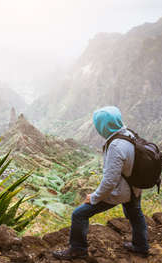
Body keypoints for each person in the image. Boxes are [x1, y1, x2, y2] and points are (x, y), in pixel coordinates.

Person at [52, 106, 149, 260]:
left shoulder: (116, 146)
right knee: (135, 213)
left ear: (103, 127)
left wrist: (95, 197)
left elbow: (110, 181)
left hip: (121, 191)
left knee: (79, 214)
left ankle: (78, 249)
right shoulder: (129, 134)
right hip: (135, 187)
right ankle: (141, 246)